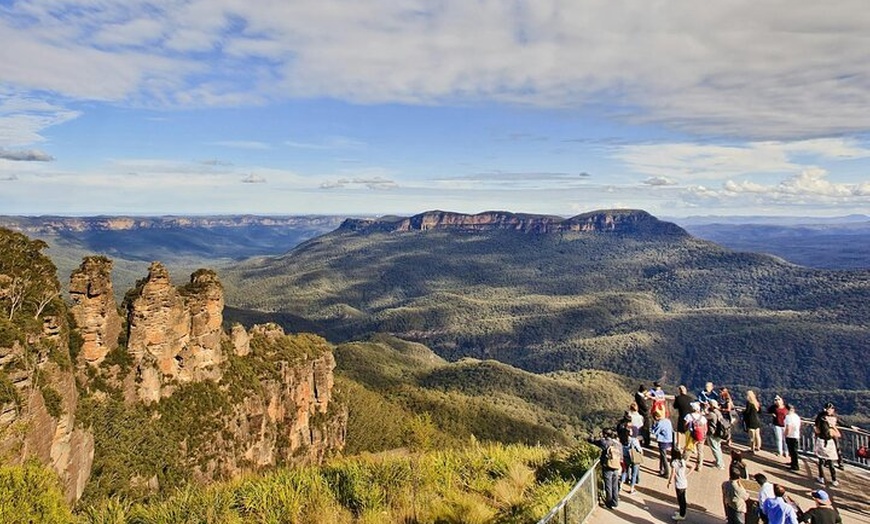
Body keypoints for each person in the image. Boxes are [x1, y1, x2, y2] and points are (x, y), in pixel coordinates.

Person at [590, 428, 623, 509]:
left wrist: (593, 437)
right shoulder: (617, 443)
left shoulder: (604, 442)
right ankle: (615, 502)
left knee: (608, 485)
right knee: (615, 485)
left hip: (607, 466)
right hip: (616, 466)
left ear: (605, 434)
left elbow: (593, 441)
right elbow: (621, 455)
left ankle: (609, 503)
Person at [813, 405, 839, 487]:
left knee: (828, 462)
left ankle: (831, 478)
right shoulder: (823, 417)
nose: (829, 410)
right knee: (822, 461)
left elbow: (816, 427)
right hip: (825, 440)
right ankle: (826, 478)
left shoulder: (822, 417)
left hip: (826, 440)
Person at [667, 447, 690, 521]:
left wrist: (669, 482)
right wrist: (687, 474)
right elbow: (692, 466)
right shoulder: (682, 461)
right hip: (684, 482)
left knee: (680, 499)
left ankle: (682, 515)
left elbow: (673, 473)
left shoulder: (674, 463)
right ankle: (682, 512)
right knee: (683, 498)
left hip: (679, 483)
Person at [651, 409, 674, 478]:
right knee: (662, 455)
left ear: (656, 417)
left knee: (664, 457)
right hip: (669, 439)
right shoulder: (667, 421)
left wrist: (653, 426)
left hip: (663, 441)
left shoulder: (660, 423)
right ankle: (661, 469)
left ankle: (666, 472)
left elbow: (654, 432)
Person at [684, 401, 708, 470]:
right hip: (701, 435)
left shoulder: (688, 416)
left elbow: (685, 425)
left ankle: (684, 461)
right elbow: (705, 428)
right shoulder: (702, 417)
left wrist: (686, 431)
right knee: (700, 451)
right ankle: (699, 466)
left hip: (691, 435)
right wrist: (704, 435)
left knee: (688, 449)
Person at [673, 385, 694, 450]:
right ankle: (688, 445)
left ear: (680, 391)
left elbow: (675, 406)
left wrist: (676, 399)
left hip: (682, 416)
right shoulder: (691, 399)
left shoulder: (678, 398)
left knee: (679, 431)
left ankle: (678, 444)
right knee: (689, 431)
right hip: (690, 417)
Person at [706, 399, 725, 469]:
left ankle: (719, 464)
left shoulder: (712, 414)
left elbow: (703, 417)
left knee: (714, 448)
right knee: (718, 447)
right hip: (719, 432)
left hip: (713, 433)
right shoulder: (718, 412)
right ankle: (720, 461)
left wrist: (705, 409)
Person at [784, 404, 802, 472]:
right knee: (794, 451)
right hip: (796, 435)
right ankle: (793, 463)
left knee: (792, 452)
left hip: (790, 436)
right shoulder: (796, 416)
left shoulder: (788, 417)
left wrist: (785, 434)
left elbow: (788, 427)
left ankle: (795, 466)